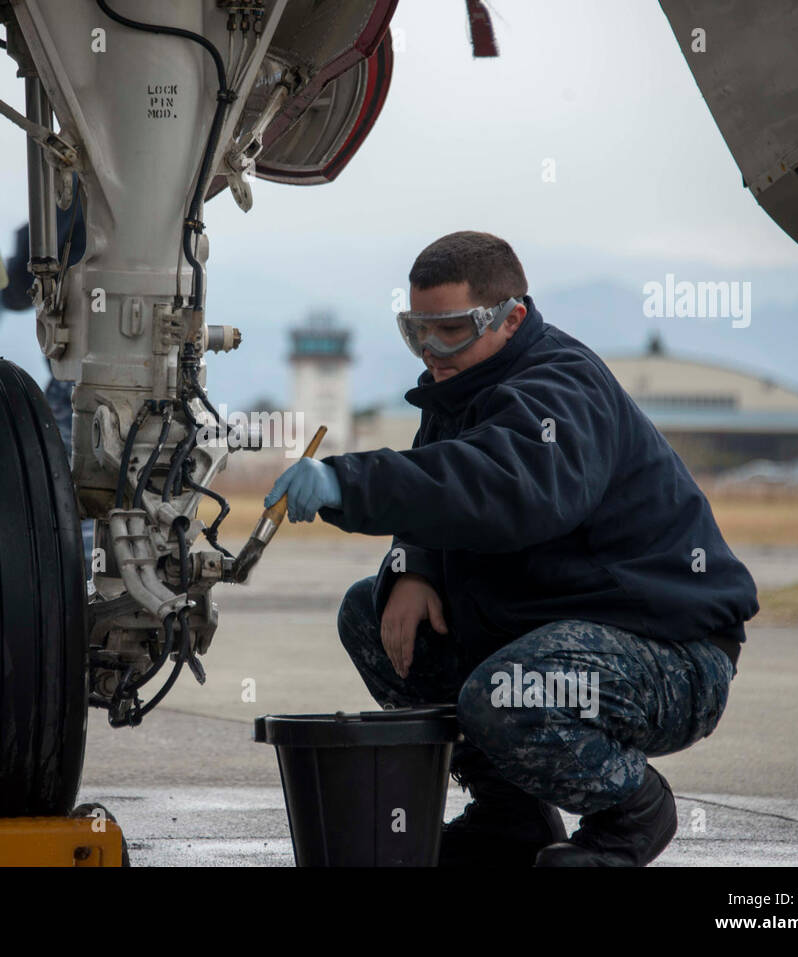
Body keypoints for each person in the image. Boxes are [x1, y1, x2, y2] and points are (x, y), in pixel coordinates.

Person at [265, 231, 758, 867]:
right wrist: (414, 566)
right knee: (371, 614)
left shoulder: (562, 388)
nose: (431, 351)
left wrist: (347, 480)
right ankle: (511, 815)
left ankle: (630, 814)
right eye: (416, 331)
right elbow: (440, 486)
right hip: (556, 626)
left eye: (450, 330)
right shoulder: (458, 388)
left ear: (511, 318)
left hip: (669, 649)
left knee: (508, 692)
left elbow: (502, 486)